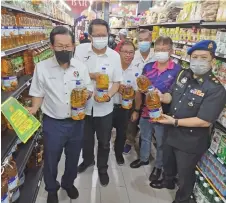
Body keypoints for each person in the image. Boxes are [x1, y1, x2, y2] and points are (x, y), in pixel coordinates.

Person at [150, 40, 226, 203]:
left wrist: (175, 122)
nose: (198, 61)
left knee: (185, 174)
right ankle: (168, 181)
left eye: (203, 57)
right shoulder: (183, 74)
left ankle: (182, 199)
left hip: (190, 140)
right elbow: (171, 94)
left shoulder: (215, 89)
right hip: (171, 131)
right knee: (168, 162)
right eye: (195, 57)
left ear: (212, 60)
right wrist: (162, 97)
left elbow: (204, 121)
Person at [28, 26, 93, 203]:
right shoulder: (41, 68)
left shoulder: (80, 66)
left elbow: (89, 88)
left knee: (73, 157)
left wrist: (87, 93)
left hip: (77, 122)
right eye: (60, 46)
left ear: (73, 46)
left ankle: (68, 183)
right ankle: (51, 188)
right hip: (53, 123)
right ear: (52, 46)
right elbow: (38, 92)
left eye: (68, 45)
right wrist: (34, 108)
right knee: (51, 159)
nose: (64, 49)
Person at [75, 19, 123, 186]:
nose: (101, 38)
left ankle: (102, 168)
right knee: (86, 139)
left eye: (104, 35)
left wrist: (108, 96)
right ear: (90, 36)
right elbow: (75, 74)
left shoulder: (114, 56)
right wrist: (92, 76)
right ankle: (88, 160)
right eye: (97, 35)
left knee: (104, 142)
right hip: (84, 106)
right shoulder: (80, 51)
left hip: (105, 108)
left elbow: (117, 82)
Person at [130, 37, 181, 182]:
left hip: (163, 114)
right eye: (158, 50)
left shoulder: (178, 70)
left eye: (164, 50)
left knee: (161, 142)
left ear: (171, 51)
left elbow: (176, 94)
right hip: (146, 110)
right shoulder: (148, 67)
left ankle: (159, 166)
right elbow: (141, 88)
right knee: (145, 137)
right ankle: (144, 158)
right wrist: (137, 108)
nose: (161, 53)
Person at [124, 29, 156, 154]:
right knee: (132, 120)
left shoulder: (156, 54)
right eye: (141, 40)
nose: (144, 43)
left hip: (152, 94)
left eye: (146, 40)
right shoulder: (133, 55)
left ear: (151, 40)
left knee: (148, 120)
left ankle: (144, 142)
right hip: (135, 93)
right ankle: (129, 141)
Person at [112, 40, 141, 165]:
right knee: (104, 133)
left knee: (122, 133)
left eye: (131, 52)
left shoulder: (137, 71)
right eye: (125, 52)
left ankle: (119, 154)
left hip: (125, 107)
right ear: (119, 52)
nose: (128, 55)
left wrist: (136, 110)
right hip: (108, 106)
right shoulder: (112, 67)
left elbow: (138, 93)